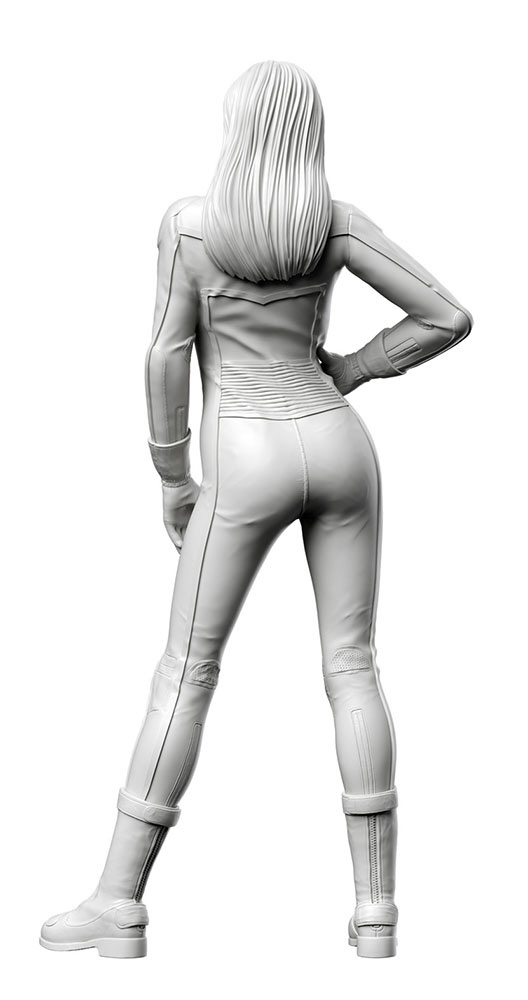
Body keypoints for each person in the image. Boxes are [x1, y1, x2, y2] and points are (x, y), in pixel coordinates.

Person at [39, 60, 473, 960]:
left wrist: (170, 475)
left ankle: (118, 901)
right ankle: (376, 914)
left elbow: (164, 355)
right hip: (340, 446)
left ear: (235, 126)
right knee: (353, 667)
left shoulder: (190, 225)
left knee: (186, 671)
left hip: (244, 456)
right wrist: (350, 371)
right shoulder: (334, 224)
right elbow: (446, 316)